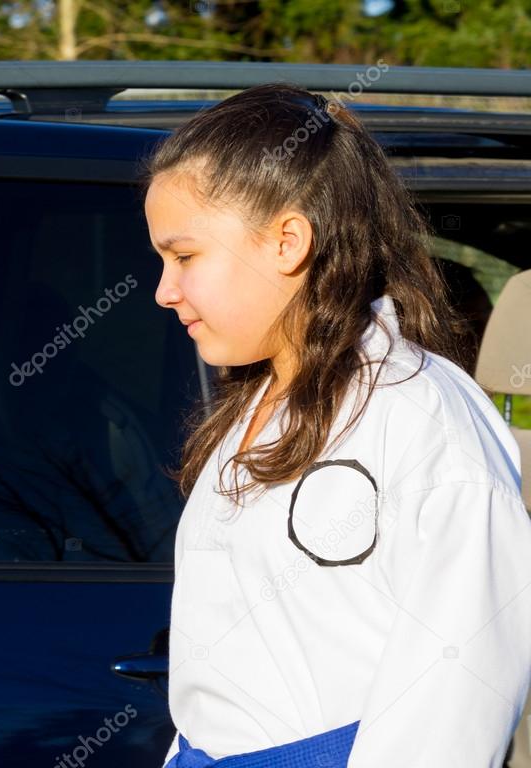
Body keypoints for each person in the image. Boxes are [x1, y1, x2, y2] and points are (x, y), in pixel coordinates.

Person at [141, 83, 531, 768]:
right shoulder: (254, 407)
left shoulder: (420, 420)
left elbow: (454, 706)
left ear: (288, 240)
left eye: (186, 256)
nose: (164, 290)